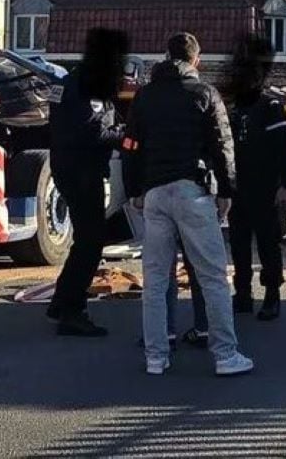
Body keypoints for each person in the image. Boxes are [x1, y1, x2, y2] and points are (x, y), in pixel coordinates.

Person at [124, 32, 254, 376]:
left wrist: (135, 189)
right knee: (212, 276)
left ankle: (156, 357)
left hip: (154, 193)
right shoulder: (205, 93)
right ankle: (225, 355)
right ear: (197, 60)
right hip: (192, 191)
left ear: (166, 56)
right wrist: (227, 190)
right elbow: (223, 145)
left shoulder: (145, 96)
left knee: (155, 280)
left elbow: (131, 145)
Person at [46, 27, 129, 337]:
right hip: (82, 172)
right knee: (91, 243)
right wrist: (128, 138)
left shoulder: (71, 81)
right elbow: (94, 132)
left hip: (69, 168)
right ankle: (72, 310)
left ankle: (62, 301)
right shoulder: (86, 86)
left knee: (86, 239)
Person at [226, 36, 286, 321]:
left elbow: (285, 147)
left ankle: (272, 294)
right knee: (239, 243)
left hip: (265, 186)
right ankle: (243, 293)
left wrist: (285, 184)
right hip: (237, 187)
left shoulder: (270, 107)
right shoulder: (232, 109)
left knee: (268, 242)